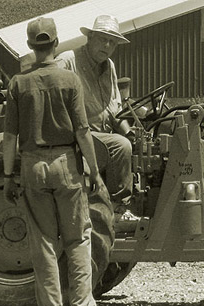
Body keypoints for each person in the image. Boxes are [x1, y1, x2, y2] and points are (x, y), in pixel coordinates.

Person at [3, 17, 113, 306]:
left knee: (44, 243)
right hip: (67, 165)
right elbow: (82, 131)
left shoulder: (18, 84)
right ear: (55, 44)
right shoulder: (70, 80)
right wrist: (92, 170)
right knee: (78, 239)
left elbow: (10, 137)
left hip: (32, 167)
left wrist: (9, 176)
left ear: (30, 46)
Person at [56, 15, 137, 218]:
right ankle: (119, 207)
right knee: (121, 146)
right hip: (76, 135)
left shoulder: (109, 66)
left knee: (138, 142)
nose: (108, 45)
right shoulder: (67, 61)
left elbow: (115, 110)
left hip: (102, 134)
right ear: (90, 37)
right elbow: (51, 99)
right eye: (103, 39)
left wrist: (131, 132)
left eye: (112, 42)